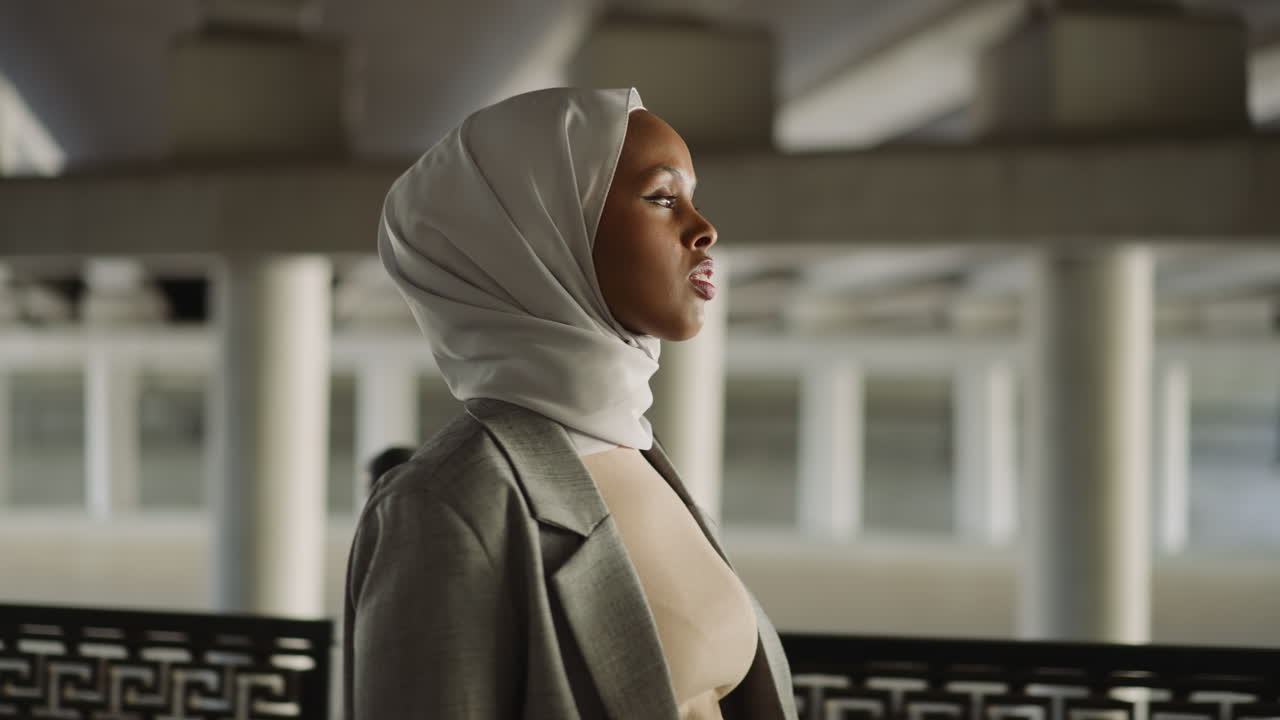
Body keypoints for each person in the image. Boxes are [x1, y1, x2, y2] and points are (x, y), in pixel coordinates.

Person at [343, 87, 797, 720]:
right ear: (539, 234)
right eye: (664, 197)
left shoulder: (634, 452)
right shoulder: (445, 505)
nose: (704, 229)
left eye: (691, 198)